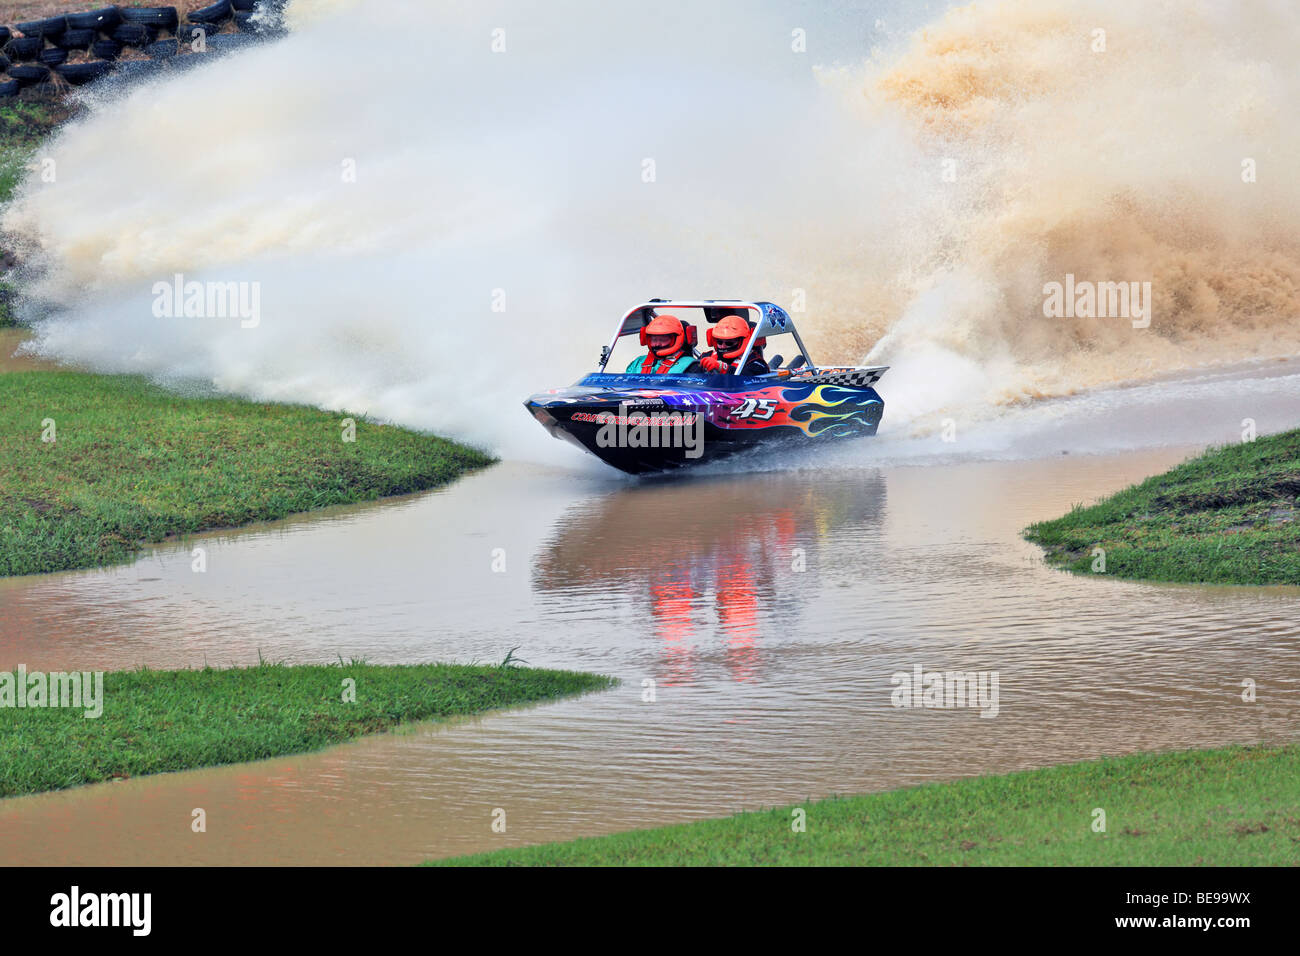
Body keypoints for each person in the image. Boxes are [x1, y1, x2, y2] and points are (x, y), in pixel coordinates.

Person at [626, 314, 701, 374]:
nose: (658, 344)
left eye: (663, 339)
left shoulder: (691, 365)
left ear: (676, 339)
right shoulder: (638, 362)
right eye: (654, 339)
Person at [699, 314, 768, 375]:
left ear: (741, 341)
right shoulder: (707, 356)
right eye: (719, 342)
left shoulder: (755, 361)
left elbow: (749, 376)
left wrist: (723, 368)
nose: (723, 346)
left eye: (729, 343)